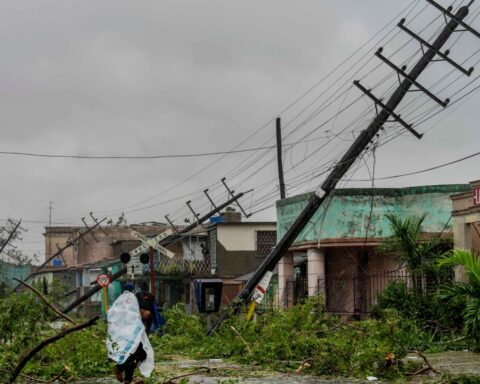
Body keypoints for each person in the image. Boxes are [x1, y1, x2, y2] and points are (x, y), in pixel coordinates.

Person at [106, 282, 154, 384]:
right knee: (137, 354)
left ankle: (121, 370)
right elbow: (141, 313)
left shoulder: (119, 300)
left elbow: (110, 314)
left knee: (133, 354)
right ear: (133, 289)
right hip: (133, 333)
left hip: (123, 334)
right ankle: (126, 377)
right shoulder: (134, 299)